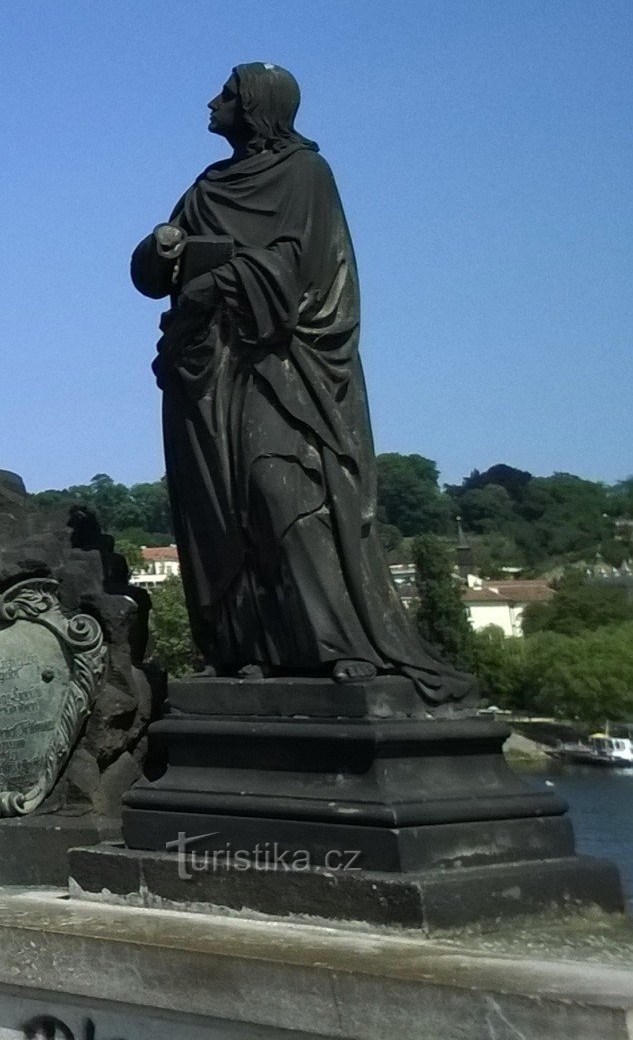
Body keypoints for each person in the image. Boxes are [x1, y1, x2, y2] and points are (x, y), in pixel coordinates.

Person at [132, 64, 477, 703]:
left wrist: (222, 278)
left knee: (279, 487)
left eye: (228, 95)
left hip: (282, 365)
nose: (213, 102)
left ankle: (338, 643)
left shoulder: (305, 176)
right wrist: (163, 247)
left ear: (257, 106)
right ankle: (249, 649)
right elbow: (154, 278)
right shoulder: (207, 186)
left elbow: (307, 269)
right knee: (222, 508)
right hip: (209, 367)